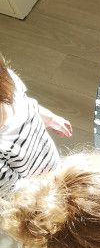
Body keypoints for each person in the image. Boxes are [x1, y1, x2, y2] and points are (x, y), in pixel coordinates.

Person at [0, 54, 71, 196]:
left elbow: (28, 103)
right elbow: (15, 191)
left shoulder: (9, 81)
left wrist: (49, 118)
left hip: (49, 160)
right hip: (35, 193)